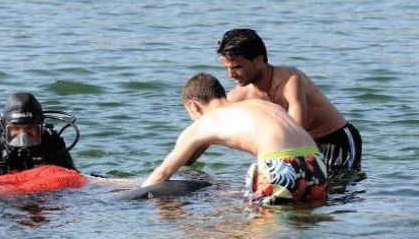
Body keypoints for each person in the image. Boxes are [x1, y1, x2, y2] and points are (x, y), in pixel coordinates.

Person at [142, 73, 328, 206]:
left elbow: (161, 175)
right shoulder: (261, 104)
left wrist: (138, 199)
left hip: (280, 162)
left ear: (193, 105)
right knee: (301, 220)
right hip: (316, 162)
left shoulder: (203, 123)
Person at [216, 28, 362, 173]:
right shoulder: (238, 95)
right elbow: (207, 125)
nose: (231, 75)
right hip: (302, 146)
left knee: (339, 190)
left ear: (259, 60)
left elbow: (296, 130)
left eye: (237, 67)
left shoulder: (290, 80)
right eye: (227, 68)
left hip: (336, 141)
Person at [0, 92, 77, 177]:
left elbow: (73, 180)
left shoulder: (51, 144)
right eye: (16, 130)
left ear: (41, 127)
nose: (23, 138)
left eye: (30, 129)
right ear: (4, 128)